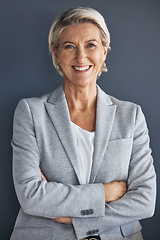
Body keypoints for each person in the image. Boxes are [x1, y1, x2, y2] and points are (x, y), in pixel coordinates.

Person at [10, 7, 156, 240]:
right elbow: (31, 196)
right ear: (55, 52)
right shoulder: (30, 112)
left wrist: (73, 217)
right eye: (69, 46)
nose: (81, 57)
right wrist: (106, 192)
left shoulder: (131, 115)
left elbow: (145, 201)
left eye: (91, 45)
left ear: (104, 51)